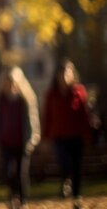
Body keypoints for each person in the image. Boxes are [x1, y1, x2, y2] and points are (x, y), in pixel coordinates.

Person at [0, 66, 40, 208]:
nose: (9, 85)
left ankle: (22, 200)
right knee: (7, 172)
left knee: (21, 173)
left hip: (21, 142)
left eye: (12, 82)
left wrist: (32, 139)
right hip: (4, 143)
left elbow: (32, 121)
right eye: (6, 82)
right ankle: (11, 196)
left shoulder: (25, 100)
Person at [42, 59, 93, 209]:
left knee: (77, 167)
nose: (65, 75)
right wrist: (45, 138)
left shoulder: (79, 91)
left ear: (73, 75)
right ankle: (65, 180)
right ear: (57, 75)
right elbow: (47, 117)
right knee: (64, 162)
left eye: (68, 72)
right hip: (59, 136)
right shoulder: (51, 95)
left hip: (77, 136)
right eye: (62, 72)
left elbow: (84, 114)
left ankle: (77, 197)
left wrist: (88, 133)